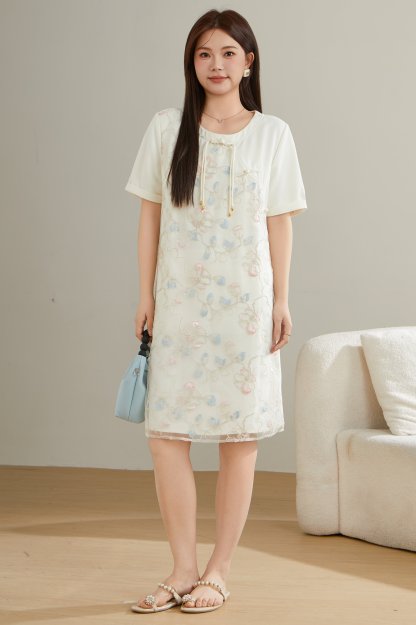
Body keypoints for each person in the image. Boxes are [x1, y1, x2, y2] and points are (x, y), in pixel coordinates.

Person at [124, 8, 308, 614]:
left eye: (229, 53)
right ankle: (182, 568)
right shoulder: (166, 128)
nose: (216, 64)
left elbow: (279, 222)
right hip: (179, 305)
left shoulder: (273, 134)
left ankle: (218, 571)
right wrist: (146, 295)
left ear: (249, 62)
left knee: (239, 436)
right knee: (166, 435)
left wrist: (281, 299)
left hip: (246, 310)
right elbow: (150, 215)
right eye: (204, 54)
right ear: (192, 62)